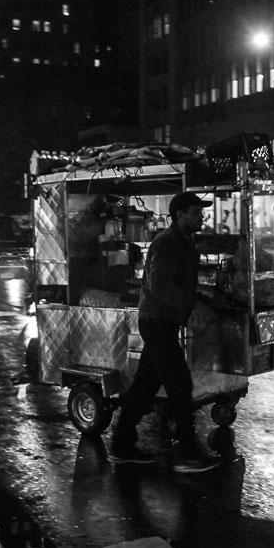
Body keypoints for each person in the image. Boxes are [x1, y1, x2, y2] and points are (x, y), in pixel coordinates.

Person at [109, 192, 222, 473]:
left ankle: (121, 445)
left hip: (162, 322)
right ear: (180, 214)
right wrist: (189, 304)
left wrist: (200, 299)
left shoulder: (182, 241)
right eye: (196, 211)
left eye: (201, 211)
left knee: (145, 385)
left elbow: (180, 282)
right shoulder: (169, 242)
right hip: (157, 321)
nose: (202, 216)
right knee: (180, 384)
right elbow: (160, 285)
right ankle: (187, 453)